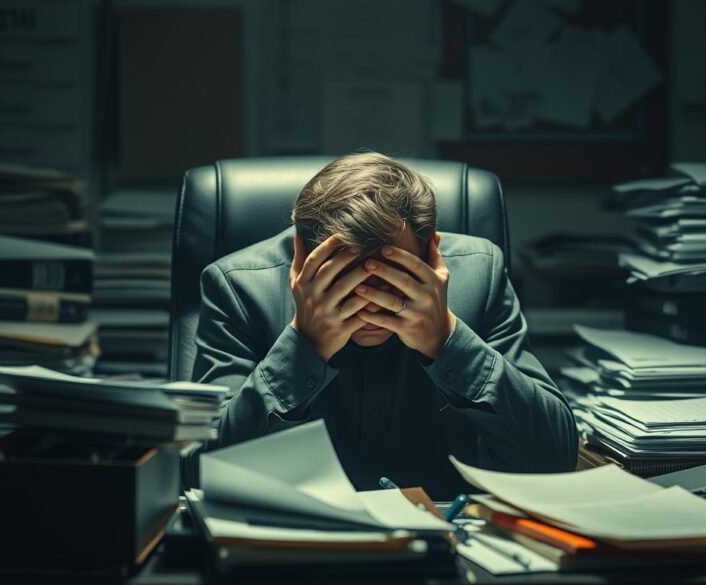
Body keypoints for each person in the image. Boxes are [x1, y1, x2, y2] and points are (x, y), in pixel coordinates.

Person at [192, 152, 577, 498]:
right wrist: (304, 347)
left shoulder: (480, 273)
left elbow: (554, 459)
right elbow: (201, 471)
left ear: (431, 252)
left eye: (391, 273)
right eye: (342, 276)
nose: (370, 300)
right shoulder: (238, 287)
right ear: (300, 258)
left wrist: (446, 339)